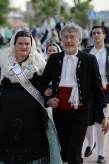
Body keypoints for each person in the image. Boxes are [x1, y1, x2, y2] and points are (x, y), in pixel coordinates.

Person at [0, 30, 63, 164]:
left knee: (31, 139)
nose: (23, 47)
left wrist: (49, 93)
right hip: (6, 109)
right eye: (20, 43)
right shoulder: (4, 62)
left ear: (31, 45)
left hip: (32, 110)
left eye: (27, 44)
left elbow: (46, 84)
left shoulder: (38, 62)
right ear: (14, 44)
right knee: (6, 140)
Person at [39, 21, 109, 164]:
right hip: (59, 111)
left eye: (72, 37)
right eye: (65, 37)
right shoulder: (54, 59)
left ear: (78, 39)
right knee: (64, 151)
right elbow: (42, 83)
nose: (68, 40)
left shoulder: (89, 59)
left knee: (74, 152)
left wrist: (103, 115)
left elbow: (97, 88)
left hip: (81, 112)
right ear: (61, 39)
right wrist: (48, 100)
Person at [83, 25, 109, 163]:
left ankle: (101, 153)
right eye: (94, 33)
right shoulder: (86, 52)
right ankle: (91, 142)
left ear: (104, 35)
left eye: (99, 33)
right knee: (88, 120)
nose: (96, 35)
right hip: (89, 90)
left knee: (102, 120)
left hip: (106, 91)